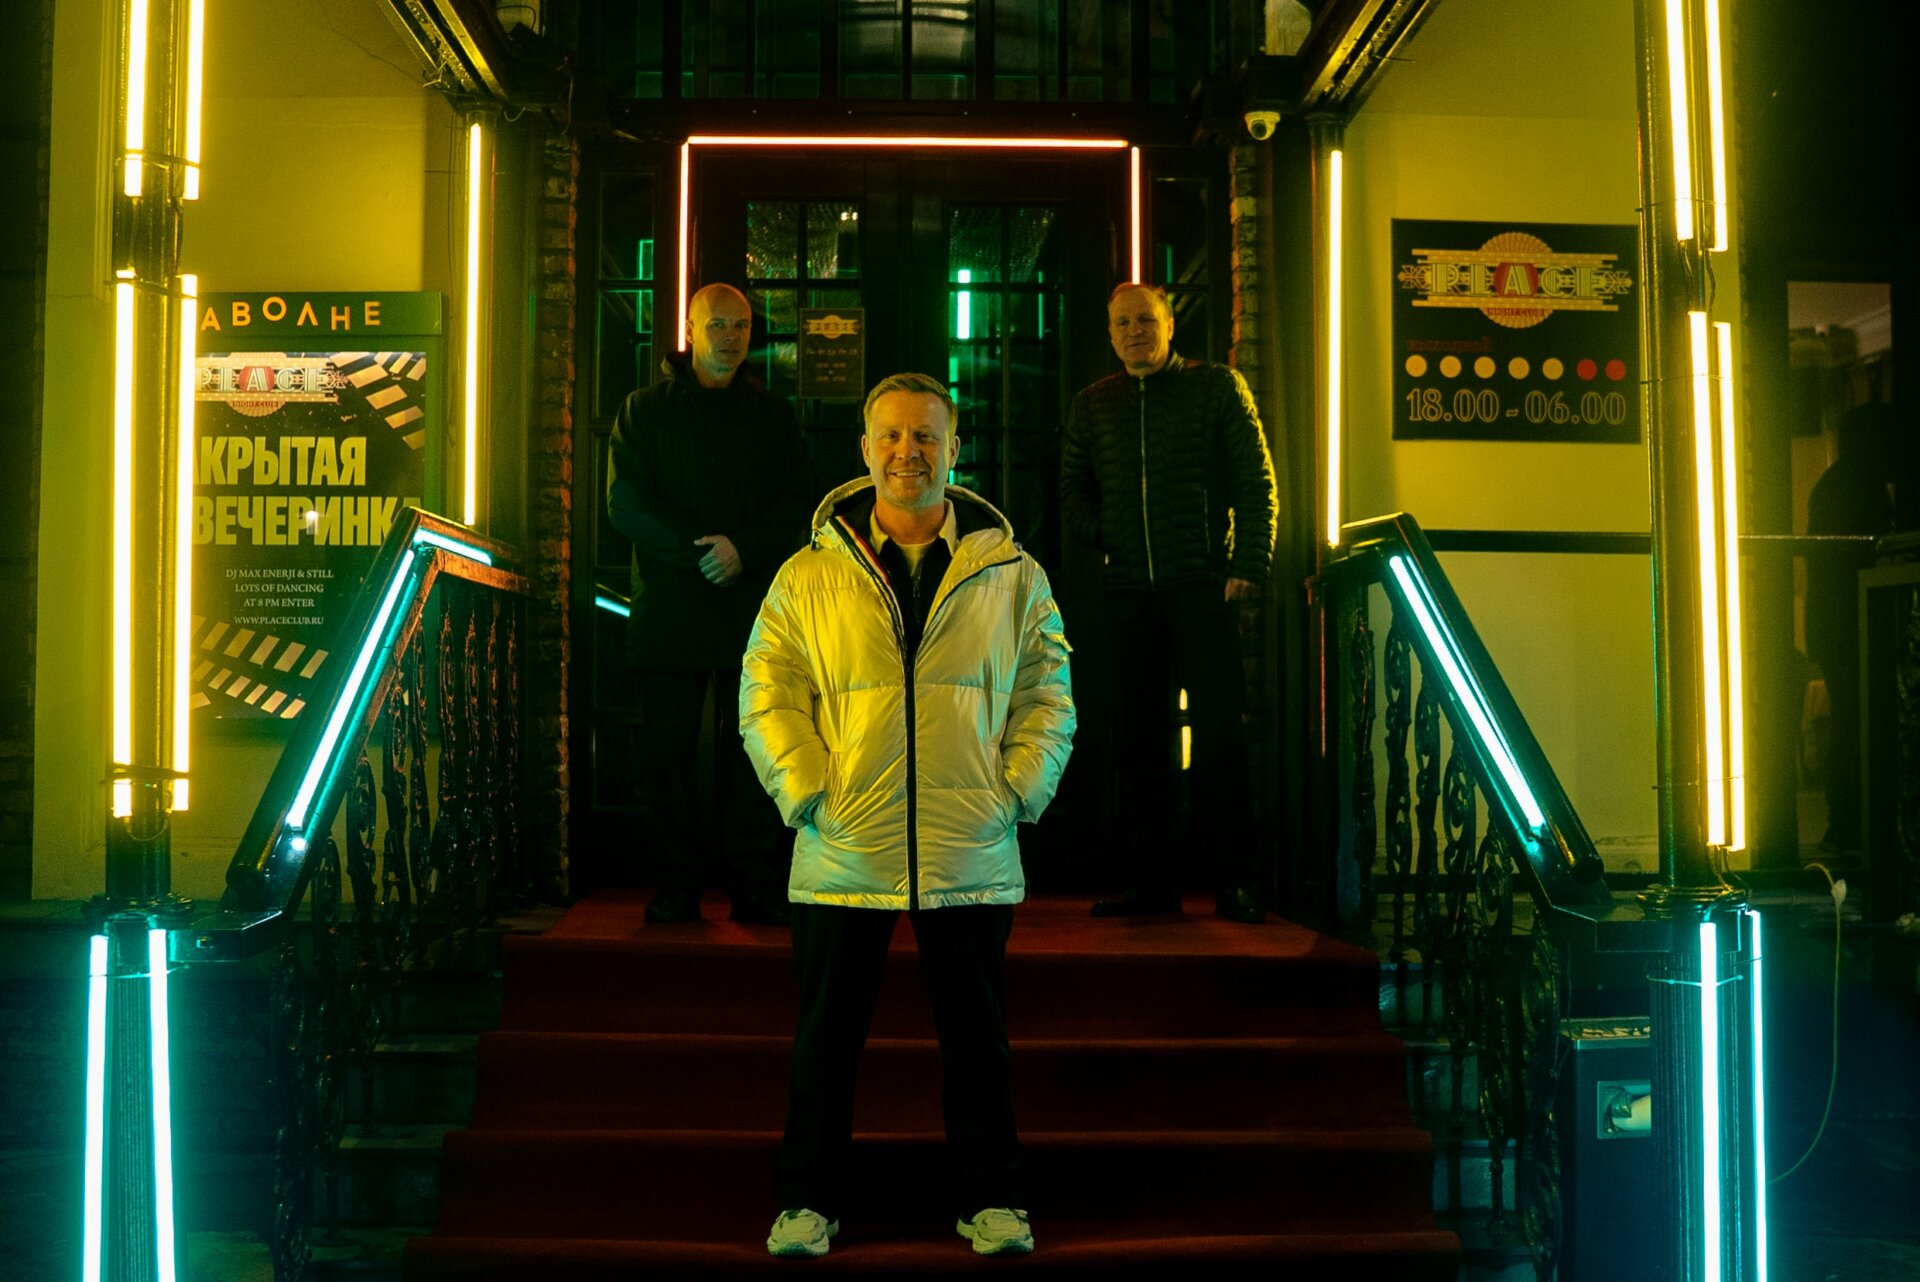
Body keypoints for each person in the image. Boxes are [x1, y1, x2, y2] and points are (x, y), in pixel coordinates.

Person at [741, 372, 1075, 1259]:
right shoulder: (808, 574)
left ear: (954, 449)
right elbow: (767, 688)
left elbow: (1048, 691)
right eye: (890, 435)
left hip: (970, 839)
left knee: (978, 1041)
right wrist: (809, 791)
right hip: (845, 839)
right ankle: (807, 1202)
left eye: (925, 436)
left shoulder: (1012, 573)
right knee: (825, 1040)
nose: (907, 452)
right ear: (864, 450)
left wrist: (1016, 790)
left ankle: (994, 1199)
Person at [1061, 283, 1278, 924]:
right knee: (1140, 743)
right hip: (1130, 594)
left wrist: (1249, 566)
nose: (1135, 331)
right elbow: (1072, 488)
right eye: (1122, 322)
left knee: (1221, 738)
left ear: (1168, 325)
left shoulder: (1216, 388)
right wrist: (1108, 533)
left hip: (1204, 587)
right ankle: (1152, 887)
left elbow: (1256, 481)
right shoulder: (1094, 404)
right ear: (1110, 335)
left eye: (1145, 319)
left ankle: (1235, 883)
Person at [605, 283, 812, 924]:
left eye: (741, 325)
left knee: (754, 752)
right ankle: (677, 887)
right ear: (690, 329)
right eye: (717, 324)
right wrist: (703, 553)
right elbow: (624, 504)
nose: (731, 336)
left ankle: (754, 886)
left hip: (752, 612)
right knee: (667, 759)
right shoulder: (643, 410)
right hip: (671, 611)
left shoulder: (774, 417)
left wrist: (741, 550)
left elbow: (798, 504)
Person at [1805, 401, 1899, 854]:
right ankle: (1852, 821)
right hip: (1850, 622)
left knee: (1849, 722)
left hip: (1833, 622)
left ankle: (1846, 821)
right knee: (1858, 723)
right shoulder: (1861, 487)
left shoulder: (1835, 484)